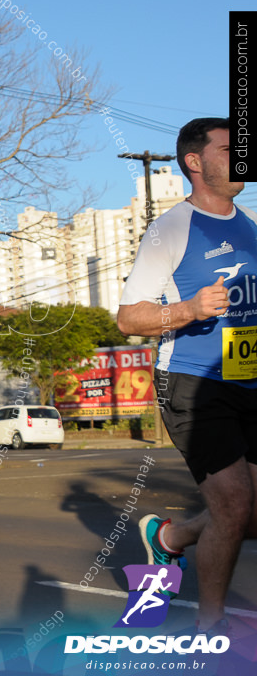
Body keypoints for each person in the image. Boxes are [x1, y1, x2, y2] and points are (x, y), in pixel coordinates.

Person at [117, 117, 257, 635]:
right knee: (234, 504)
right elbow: (129, 318)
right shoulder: (171, 229)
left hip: (249, 381)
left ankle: (169, 540)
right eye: (228, 148)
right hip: (195, 384)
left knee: (248, 518)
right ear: (195, 163)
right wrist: (191, 309)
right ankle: (211, 630)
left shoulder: (248, 225)